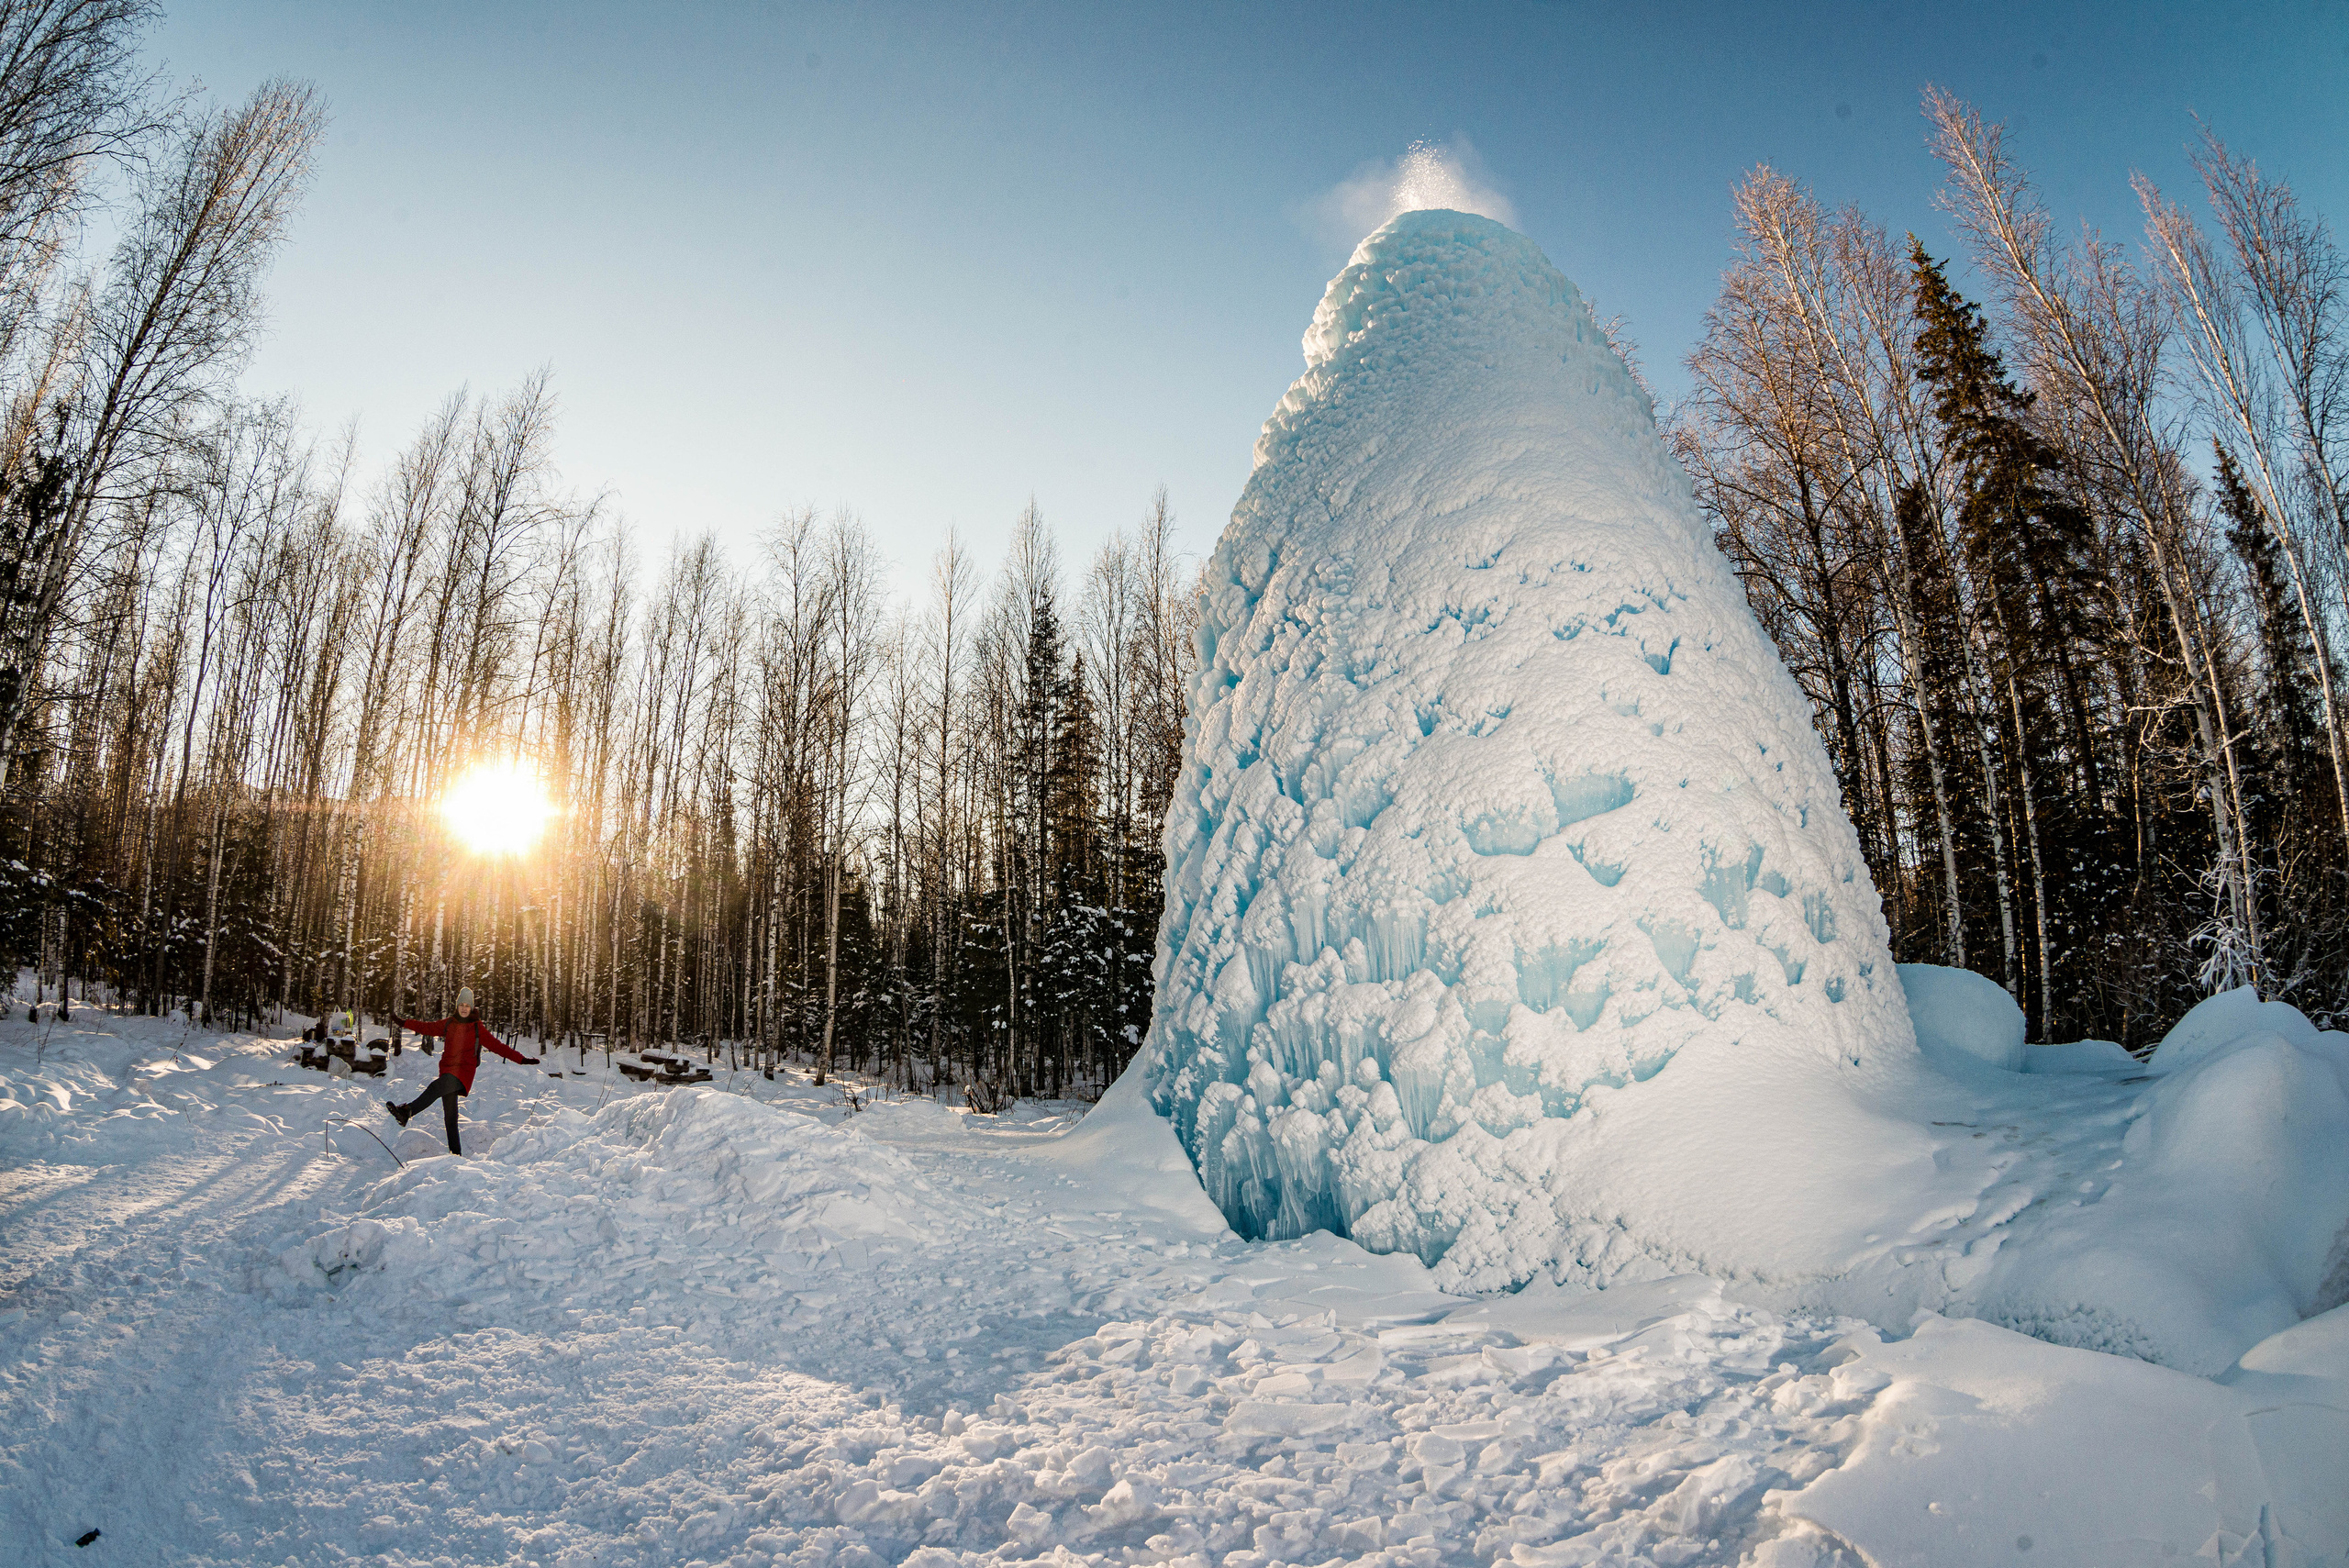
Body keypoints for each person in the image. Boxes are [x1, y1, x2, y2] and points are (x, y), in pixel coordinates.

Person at [384, 986, 539, 1155]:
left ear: (471, 1007)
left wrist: (521, 1059)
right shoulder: (449, 1023)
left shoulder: (477, 1028)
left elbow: (498, 1046)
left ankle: (407, 1111)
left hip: (463, 1074)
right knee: (450, 1118)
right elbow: (426, 1028)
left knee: (435, 1088)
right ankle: (456, 1155)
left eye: (467, 1005)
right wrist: (403, 1022)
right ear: (457, 1006)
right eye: (461, 1004)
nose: (464, 1008)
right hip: (447, 1071)